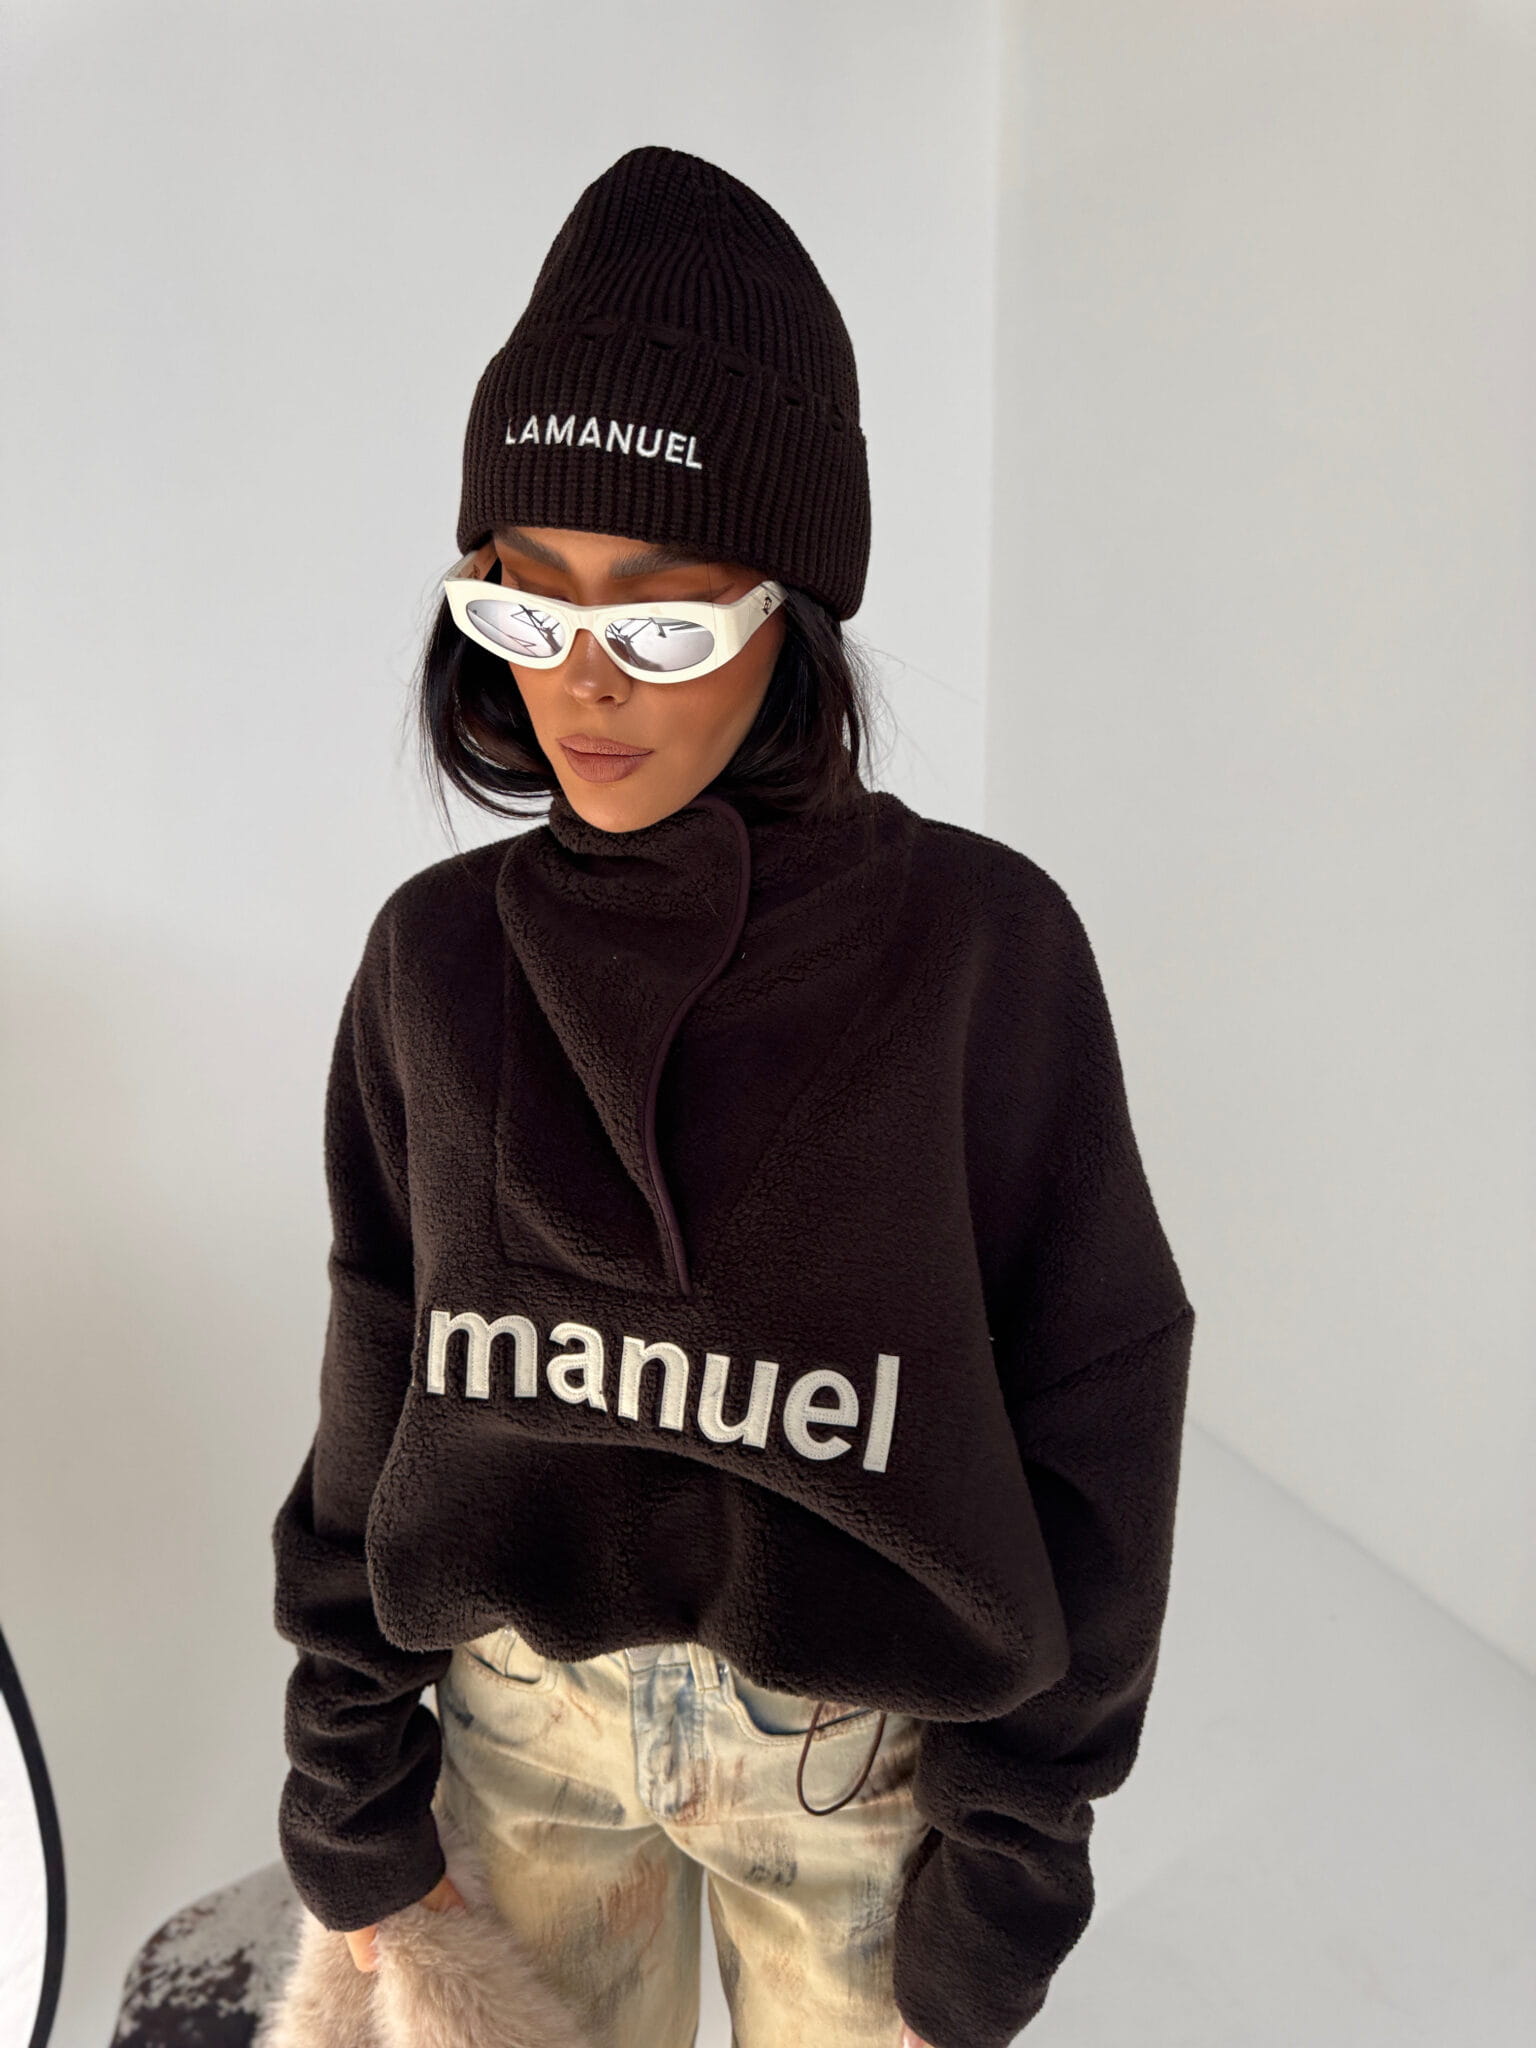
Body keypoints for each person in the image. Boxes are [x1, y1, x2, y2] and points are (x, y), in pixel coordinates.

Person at [269, 145, 1196, 2048]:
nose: (582, 687)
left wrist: (1013, 1869)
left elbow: (1097, 1393)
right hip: (519, 1726)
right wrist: (347, 1780)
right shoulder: (437, 959)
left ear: (795, 614)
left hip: (851, 1761)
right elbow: (381, 1359)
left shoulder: (980, 950)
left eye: (661, 621)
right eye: (524, 608)